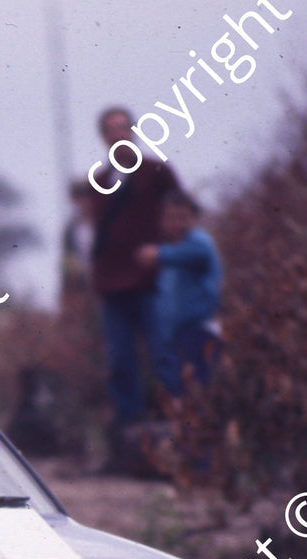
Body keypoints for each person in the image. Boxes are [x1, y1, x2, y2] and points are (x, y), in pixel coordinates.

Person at [88, 107, 182, 432]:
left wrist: (164, 251)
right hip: (113, 282)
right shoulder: (100, 181)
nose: (117, 134)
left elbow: (181, 213)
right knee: (120, 359)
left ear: (133, 131)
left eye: (122, 127)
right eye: (110, 129)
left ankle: (178, 418)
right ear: (104, 136)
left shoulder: (155, 172)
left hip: (151, 278)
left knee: (163, 351)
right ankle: (129, 424)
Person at [137, 191, 223, 394]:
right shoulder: (170, 255)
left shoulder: (199, 242)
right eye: (171, 218)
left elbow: (195, 255)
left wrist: (159, 254)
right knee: (181, 388)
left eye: (183, 218)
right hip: (175, 335)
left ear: (194, 218)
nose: (177, 224)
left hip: (199, 330)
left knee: (200, 387)